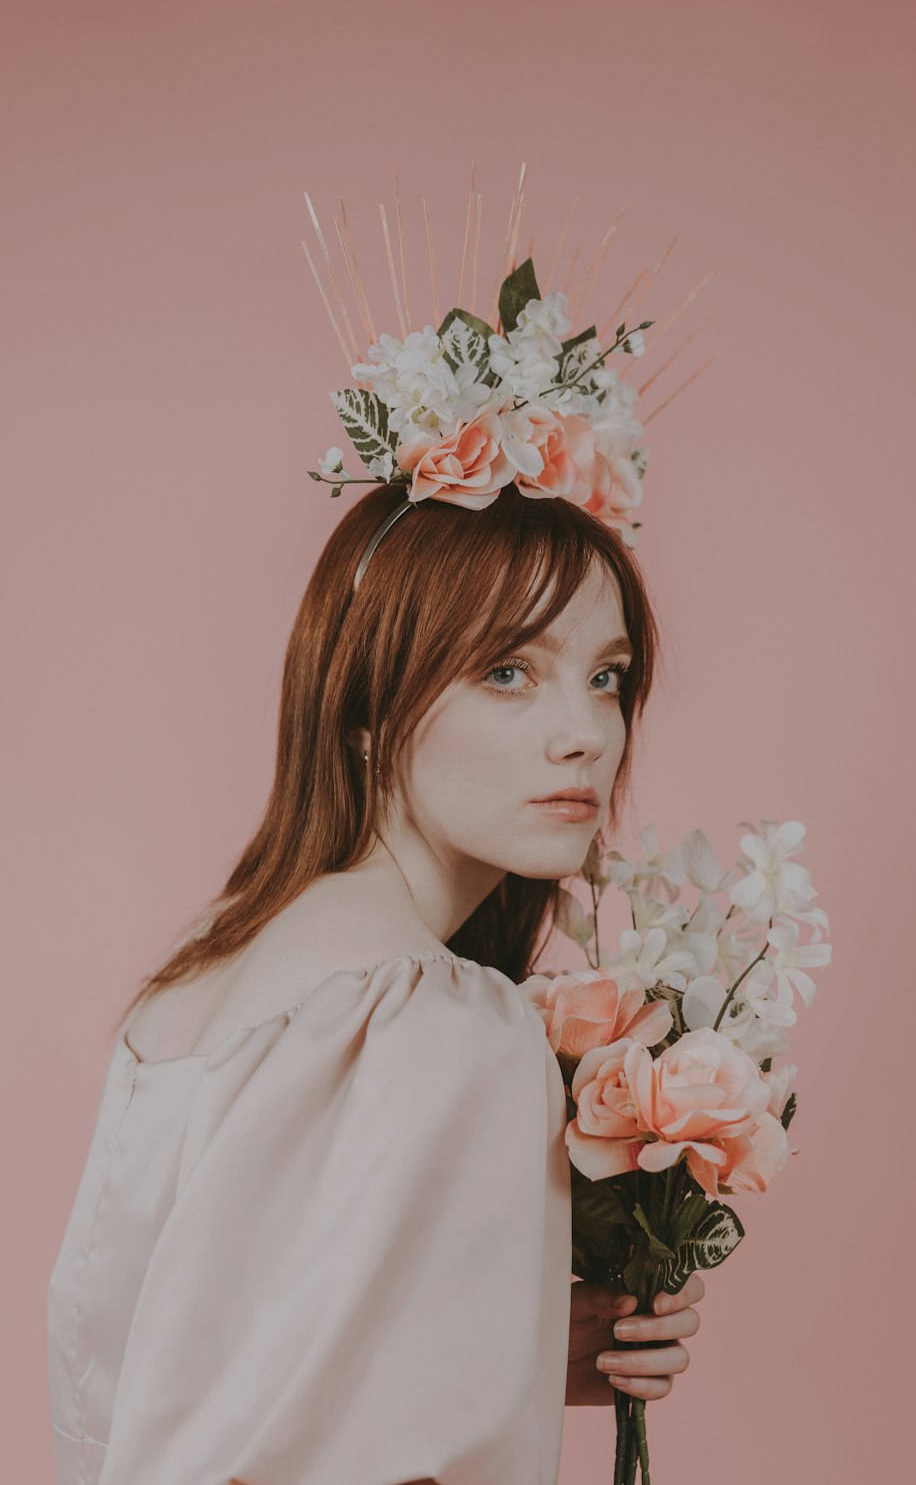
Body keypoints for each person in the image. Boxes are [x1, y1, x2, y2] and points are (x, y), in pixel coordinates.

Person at [47, 185, 708, 1481]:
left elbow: (188, 1379)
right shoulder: (436, 1022)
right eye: (508, 672)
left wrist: (516, 1335)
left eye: (609, 675)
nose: (583, 731)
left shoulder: (215, 981)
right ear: (364, 705)